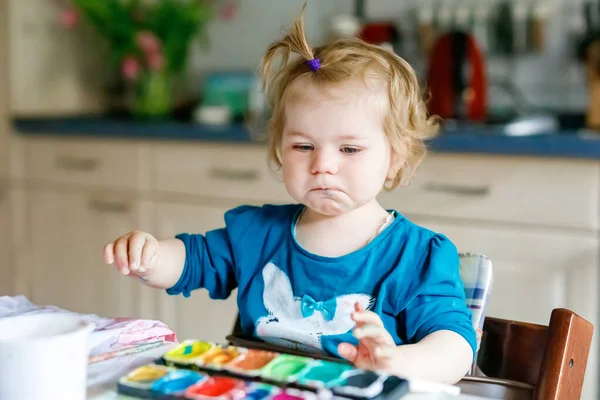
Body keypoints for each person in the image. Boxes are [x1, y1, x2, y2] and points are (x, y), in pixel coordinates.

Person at [103, 7, 476, 385]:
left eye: (349, 150)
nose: (322, 165)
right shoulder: (257, 232)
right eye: (303, 146)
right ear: (280, 149)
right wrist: (151, 258)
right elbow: (193, 261)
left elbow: (456, 349)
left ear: (394, 159)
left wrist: (394, 360)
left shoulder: (416, 256)